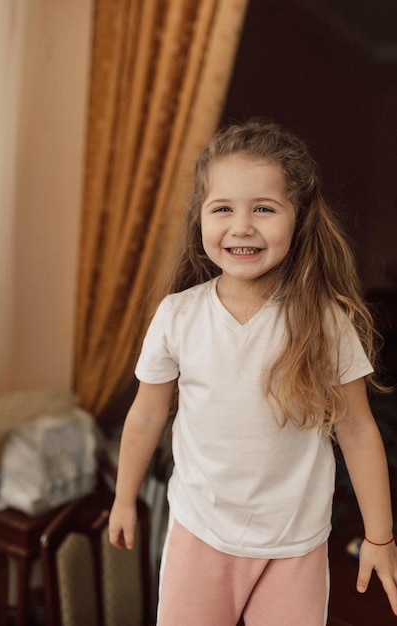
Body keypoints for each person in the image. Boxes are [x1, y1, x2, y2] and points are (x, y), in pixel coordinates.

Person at [109, 118, 397, 625]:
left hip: (296, 544)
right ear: (200, 219)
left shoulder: (326, 322)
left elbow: (356, 429)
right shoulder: (177, 316)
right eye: (222, 209)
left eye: (264, 208)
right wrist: (123, 499)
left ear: (299, 218)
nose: (242, 226)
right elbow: (147, 416)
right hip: (201, 532)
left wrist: (380, 537)